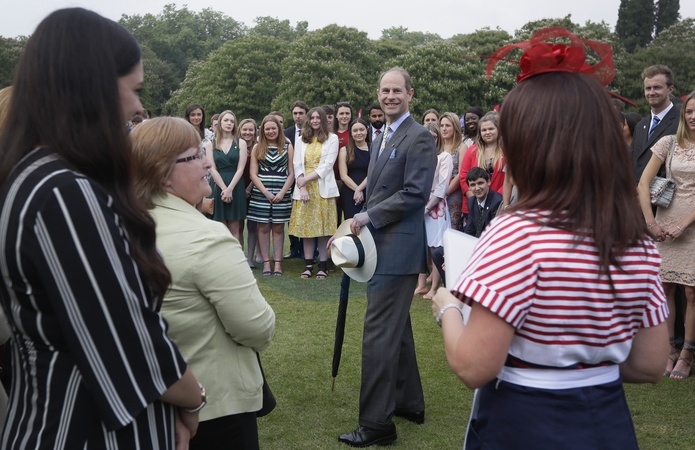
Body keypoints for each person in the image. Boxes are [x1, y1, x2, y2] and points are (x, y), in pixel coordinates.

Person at [432, 28, 668, 450]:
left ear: (529, 147)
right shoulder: (636, 241)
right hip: (608, 424)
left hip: (524, 423)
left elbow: (473, 365)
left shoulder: (517, 234)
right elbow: (650, 363)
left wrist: (447, 306)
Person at [0, 8, 204, 449]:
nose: (138, 107)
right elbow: (127, 339)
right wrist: (193, 399)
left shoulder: (29, 176)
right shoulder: (64, 192)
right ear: (92, 88)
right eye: (135, 89)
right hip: (83, 428)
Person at [130, 117, 275, 449]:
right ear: (162, 173)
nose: (208, 163)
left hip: (149, 399)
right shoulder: (207, 237)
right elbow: (257, 328)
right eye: (195, 156)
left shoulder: (120, 226)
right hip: (215, 405)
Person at [337, 67, 436, 448]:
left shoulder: (419, 136)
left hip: (399, 250)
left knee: (378, 333)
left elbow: (415, 193)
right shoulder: (382, 135)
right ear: (378, 94)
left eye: (397, 90)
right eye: (385, 90)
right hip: (381, 247)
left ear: (410, 94)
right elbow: (380, 190)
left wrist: (369, 215)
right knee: (397, 329)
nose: (390, 96)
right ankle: (410, 403)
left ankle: (376, 423)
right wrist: (357, 223)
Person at [637, 91, 695, 380]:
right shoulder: (668, 142)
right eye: (689, 111)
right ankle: (669, 349)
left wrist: (684, 224)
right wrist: (650, 222)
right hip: (664, 223)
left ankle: (687, 353)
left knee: (692, 292)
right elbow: (643, 183)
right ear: (683, 115)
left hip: (692, 225)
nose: (693, 117)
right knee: (666, 288)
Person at [288, 107, 339, 279]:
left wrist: (306, 179)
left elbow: (327, 165)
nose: (315, 120)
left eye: (318, 118)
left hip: (322, 187)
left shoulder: (332, 138)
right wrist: (302, 186)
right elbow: (297, 164)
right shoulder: (301, 139)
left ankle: (323, 265)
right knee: (306, 229)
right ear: (308, 120)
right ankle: (308, 265)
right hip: (304, 189)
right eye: (312, 118)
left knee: (323, 229)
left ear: (323, 120)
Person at [249, 115, 295, 277]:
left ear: (279, 129)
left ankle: (278, 264)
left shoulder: (287, 146)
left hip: (282, 193)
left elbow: (291, 173)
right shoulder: (257, 147)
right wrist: (266, 192)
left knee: (278, 228)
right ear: (262, 130)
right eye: (267, 129)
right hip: (261, 194)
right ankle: (266, 263)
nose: (270, 131)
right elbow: (253, 174)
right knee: (263, 228)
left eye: (273, 128)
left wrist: (282, 193)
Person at [417, 122, 452, 299]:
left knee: (437, 246)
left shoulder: (444, 157)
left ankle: (435, 287)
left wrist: (428, 206)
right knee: (423, 246)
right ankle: (423, 284)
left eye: (434, 137)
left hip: (436, 206)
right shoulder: (419, 157)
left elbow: (442, 186)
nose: (430, 140)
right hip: (420, 203)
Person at [631, 65, 680, 183]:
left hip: (669, 192)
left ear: (670, 89)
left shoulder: (682, 122)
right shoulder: (640, 126)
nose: (652, 92)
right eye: (648, 88)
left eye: (657, 87)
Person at [206, 109, 248, 244]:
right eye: (226, 120)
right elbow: (212, 169)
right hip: (218, 186)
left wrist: (230, 189)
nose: (229, 123)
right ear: (220, 123)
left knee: (235, 227)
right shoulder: (210, 144)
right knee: (220, 228)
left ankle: (236, 256)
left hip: (236, 185)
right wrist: (224, 189)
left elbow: (241, 169)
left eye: (232, 121)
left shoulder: (241, 143)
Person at [459, 112, 505, 227]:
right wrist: (475, 200)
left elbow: (509, 180)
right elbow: (463, 176)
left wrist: (494, 200)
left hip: (498, 205)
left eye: (491, 129)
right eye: (484, 130)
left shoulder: (507, 151)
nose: (487, 132)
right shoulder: (472, 150)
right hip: (474, 205)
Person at [284, 101, 309, 259]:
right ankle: (294, 247)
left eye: (301, 113)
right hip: (290, 179)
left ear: (306, 114)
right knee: (291, 215)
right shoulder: (286, 133)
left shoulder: (313, 132)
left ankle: (309, 249)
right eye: (295, 113)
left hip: (309, 179)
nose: (298, 116)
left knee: (307, 214)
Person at [239, 118, 262, 269]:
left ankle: (250, 259)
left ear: (255, 131)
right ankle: (239, 258)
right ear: (240, 130)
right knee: (238, 226)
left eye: (250, 130)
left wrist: (249, 188)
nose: (247, 132)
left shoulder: (258, 147)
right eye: (245, 129)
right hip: (237, 190)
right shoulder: (235, 146)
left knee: (253, 226)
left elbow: (259, 171)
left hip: (254, 190)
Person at [338, 118, 371, 219]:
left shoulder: (374, 148)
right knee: (351, 222)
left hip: (369, 190)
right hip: (350, 192)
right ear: (351, 133)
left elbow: (373, 172)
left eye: (361, 130)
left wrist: (360, 189)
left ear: (367, 130)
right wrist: (357, 189)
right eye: (355, 130)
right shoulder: (345, 150)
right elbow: (343, 175)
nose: (358, 133)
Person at [440, 112, 467, 230]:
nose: (444, 129)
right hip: (435, 191)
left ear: (455, 127)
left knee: (451, 227)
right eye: (441, 125)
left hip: (453, 192)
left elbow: (461, 173)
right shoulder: (437, 146)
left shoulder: (462, 147)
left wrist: (445, 191)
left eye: (447, 125)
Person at [463, 167, 502, 237]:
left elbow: (494, 233)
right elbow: (470, 229)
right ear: (469, 187)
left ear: (488, 182)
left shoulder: (497, 202)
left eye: (480, 183)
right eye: (473, 185)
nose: (477, 188)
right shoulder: (471, 202)